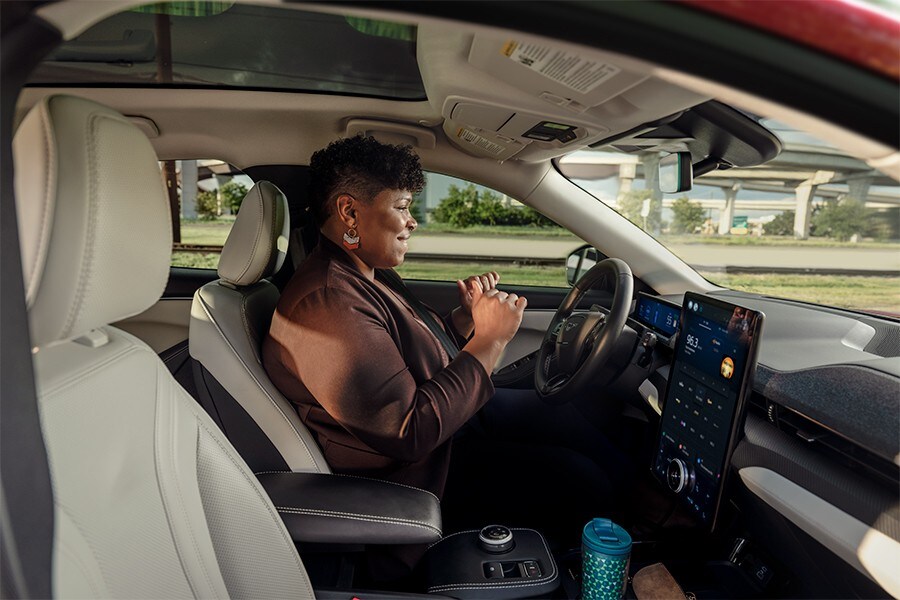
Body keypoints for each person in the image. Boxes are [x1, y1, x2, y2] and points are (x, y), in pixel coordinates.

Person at [263, 134, 526, 510]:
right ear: (349, 213)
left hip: (445, 444)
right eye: (402, 207)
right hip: (414, 484)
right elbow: (408, 430)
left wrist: (465, 321)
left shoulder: (365, 273)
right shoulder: (327, 304)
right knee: (578, 474)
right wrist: (491, 339)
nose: (412, 221)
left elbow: (402, 360)